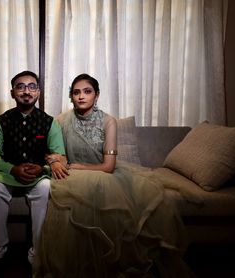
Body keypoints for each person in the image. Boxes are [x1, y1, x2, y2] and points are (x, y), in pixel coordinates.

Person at [35, 74, 193, 277]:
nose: (81, 96)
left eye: (87, 91)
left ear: (97, 95)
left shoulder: (108, 121)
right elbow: (47, 151)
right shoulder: (61, 120)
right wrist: (55, 160)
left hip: (100, 172)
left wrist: (75, 166)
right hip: (70, 175)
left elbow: (108, 167)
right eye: (76, 92)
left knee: (102, 188)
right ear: (71, 97)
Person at [0, 71, 68, 271]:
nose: (26, 91)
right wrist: (12, 169)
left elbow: (60, 156)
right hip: (7, 173)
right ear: (13, 93)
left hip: (38, 175)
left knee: (46, 187)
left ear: (38, 93)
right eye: (20, 87)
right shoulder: (0, 121)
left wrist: (44, 168)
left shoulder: (50, 122)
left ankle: (37, 253)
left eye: (32, 87)